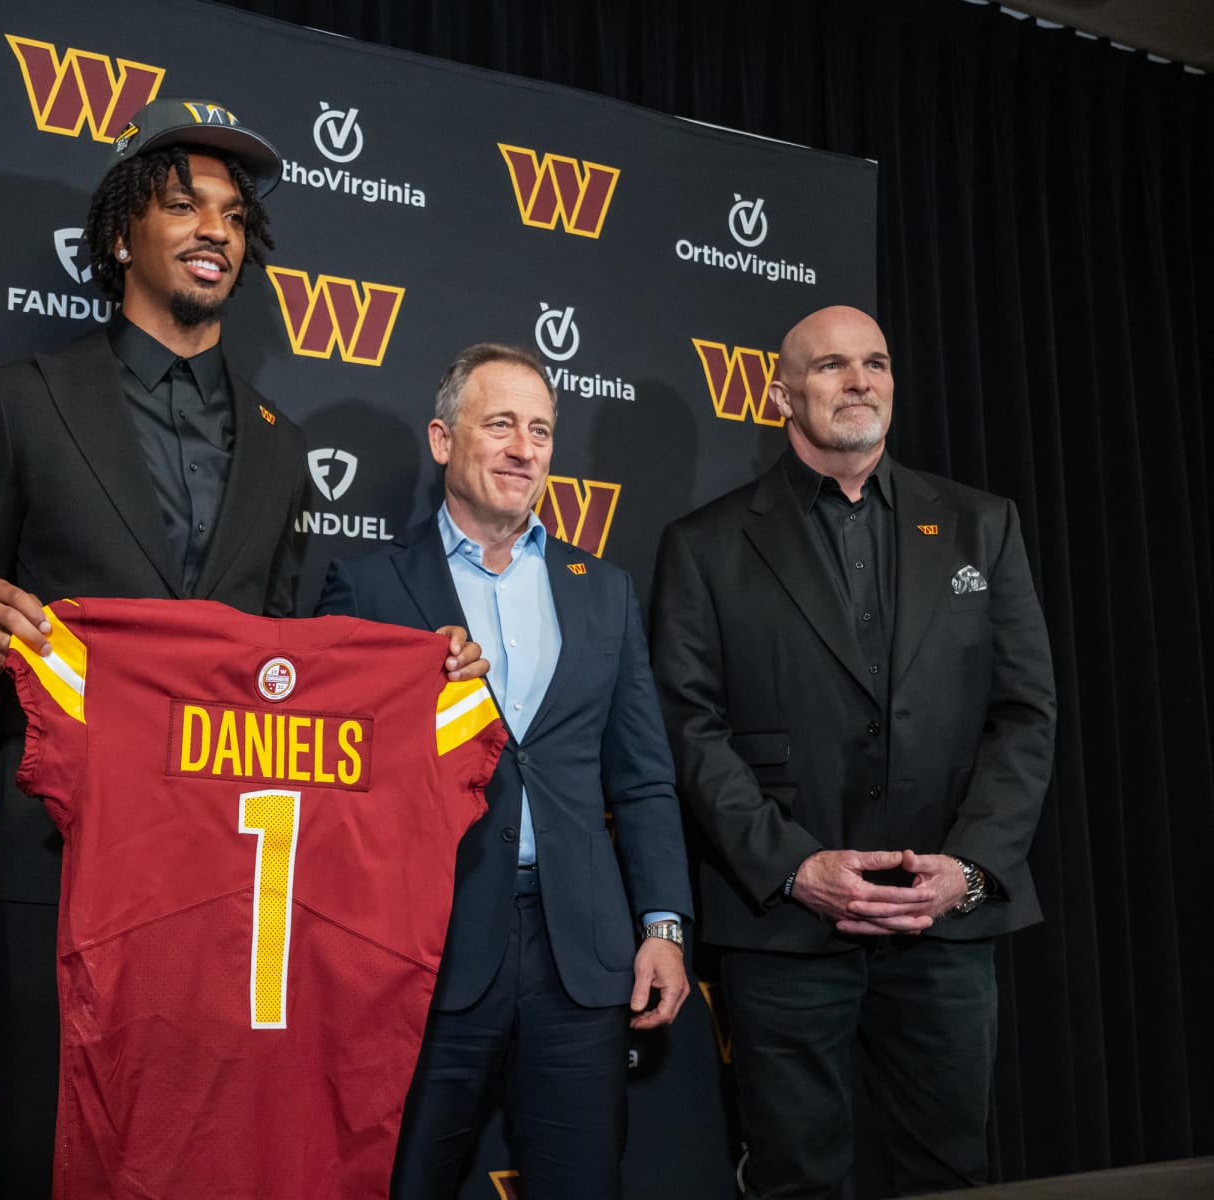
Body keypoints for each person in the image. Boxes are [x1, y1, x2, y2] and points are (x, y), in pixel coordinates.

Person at [0, 97, 482, 1197]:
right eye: (182, 203)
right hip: (66, 857)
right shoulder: (24, 401)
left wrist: (424, 687)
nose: (213, 231)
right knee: (57, 1155)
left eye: (235, 216)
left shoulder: (281, 443)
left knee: (222, 1156)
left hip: (234, 887)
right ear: (119, 234)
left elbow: (280, 671)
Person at [649, 305, 1057, 1197]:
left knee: (952, 1174)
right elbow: (691, 729)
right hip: (787, 931)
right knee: (798, 1178)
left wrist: (972, 870)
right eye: (832, 365)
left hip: (942, 927)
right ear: (780, 391)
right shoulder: (704, 546)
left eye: (875, 362)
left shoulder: (982, 526)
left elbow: (1025, 714)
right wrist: (796, 869)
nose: (860, 381)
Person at [317, 343, 695, 1197]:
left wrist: (664, 927)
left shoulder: (603, 591)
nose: (525, 448)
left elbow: (641, 779)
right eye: (501, 425)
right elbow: (335, 782)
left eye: (542, 430)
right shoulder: (370, 588)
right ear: (444, 440)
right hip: (427, 953)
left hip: (580, 961)